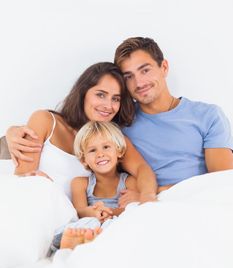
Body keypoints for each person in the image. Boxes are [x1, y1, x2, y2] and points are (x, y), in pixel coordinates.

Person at [7, 37, 233, 193]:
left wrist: (148, 195)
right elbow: (22, 165)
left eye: (145, 70)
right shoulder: (118, 124)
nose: (140, 83)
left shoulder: (207, 116)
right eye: (129, 76)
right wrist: (10, 133)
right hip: (47, 201)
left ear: (164, 67)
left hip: (188, 200)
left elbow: (223, 183)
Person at [10, 62, 157, 206]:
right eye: (100, 95)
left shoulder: (114, 140)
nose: (108, 106)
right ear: (83, 93)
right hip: (37, 205)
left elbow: (142, 169)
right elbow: (23, 179)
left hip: (78, 223)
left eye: (116, 99)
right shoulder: (45, 121)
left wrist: (145, 196)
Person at [50, 120, 138, 253]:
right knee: (89, 223)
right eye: (92, 150)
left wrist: (109, 212)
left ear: (119, 151)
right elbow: (79, 211)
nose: (100, 154)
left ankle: (93, 242)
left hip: (114, 226)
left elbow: (132, 209)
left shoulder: (129, 182)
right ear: (84, 159)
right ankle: (71, 242)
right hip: (89, 224)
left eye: (106, 147)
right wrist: (92, 212)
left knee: (116, 224)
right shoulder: (80, 183)